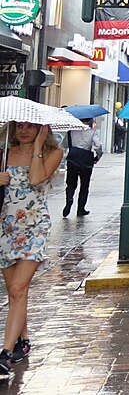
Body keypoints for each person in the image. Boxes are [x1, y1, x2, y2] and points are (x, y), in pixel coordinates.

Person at [0, 122, 63, 377]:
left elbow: (36, 178)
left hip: (34, 227)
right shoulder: (3, 152)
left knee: (18, 289)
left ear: (42, 129)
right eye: (20, 127)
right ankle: (23, 340)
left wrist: (38, 146)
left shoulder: (53, 153)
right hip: (6, 227)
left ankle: (4, 353)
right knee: (15, 292)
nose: (24, 131)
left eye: (30, 127)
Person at [62, 118, 102, 217]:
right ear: (89, 121)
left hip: (73, 159)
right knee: (84, 185)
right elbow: (98, 145)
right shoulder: (92, 132)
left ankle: (69, 199)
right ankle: (81, 209)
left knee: (71, 183)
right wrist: (97, 157)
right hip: (86, 160)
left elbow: (64, 145)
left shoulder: (71, 131)